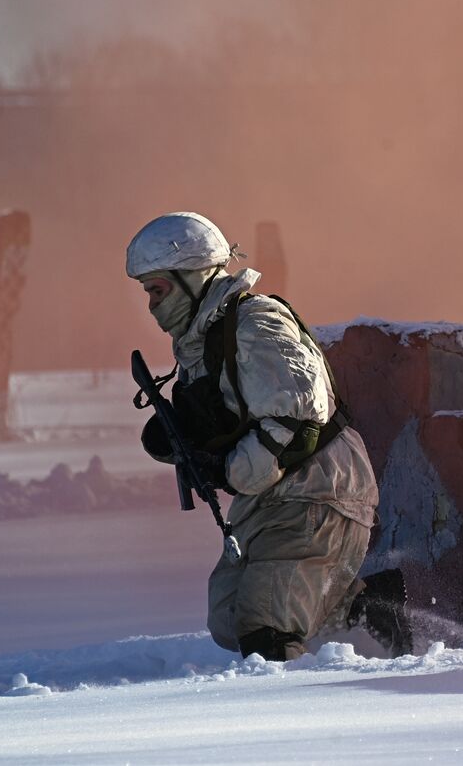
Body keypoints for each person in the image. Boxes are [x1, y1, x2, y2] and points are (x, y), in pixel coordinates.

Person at [126, 211, 396, 660]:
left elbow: (298, 414)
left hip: (317, 490)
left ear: (192, 278)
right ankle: (369, 606)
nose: (153, 306)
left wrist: (229, 469)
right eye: (148, 293)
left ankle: (288, 720)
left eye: (159, 290)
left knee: (265, 627)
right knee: (229, 619)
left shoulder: (255, 323)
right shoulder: (204, 343)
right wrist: (189, 439)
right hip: (273, 496)